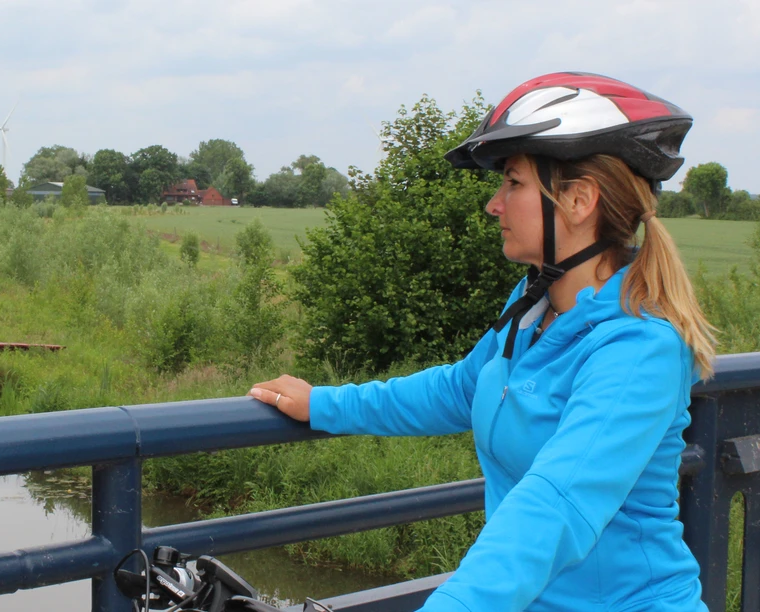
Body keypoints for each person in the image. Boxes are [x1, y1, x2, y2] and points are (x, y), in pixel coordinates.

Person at [249, 73, 717, 611]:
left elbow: (556, 504)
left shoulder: (639, 349)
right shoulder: (534, 306)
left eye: (513, 183)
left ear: (578, 200)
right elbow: (461, 389)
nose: (494, 205)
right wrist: (325, 403)